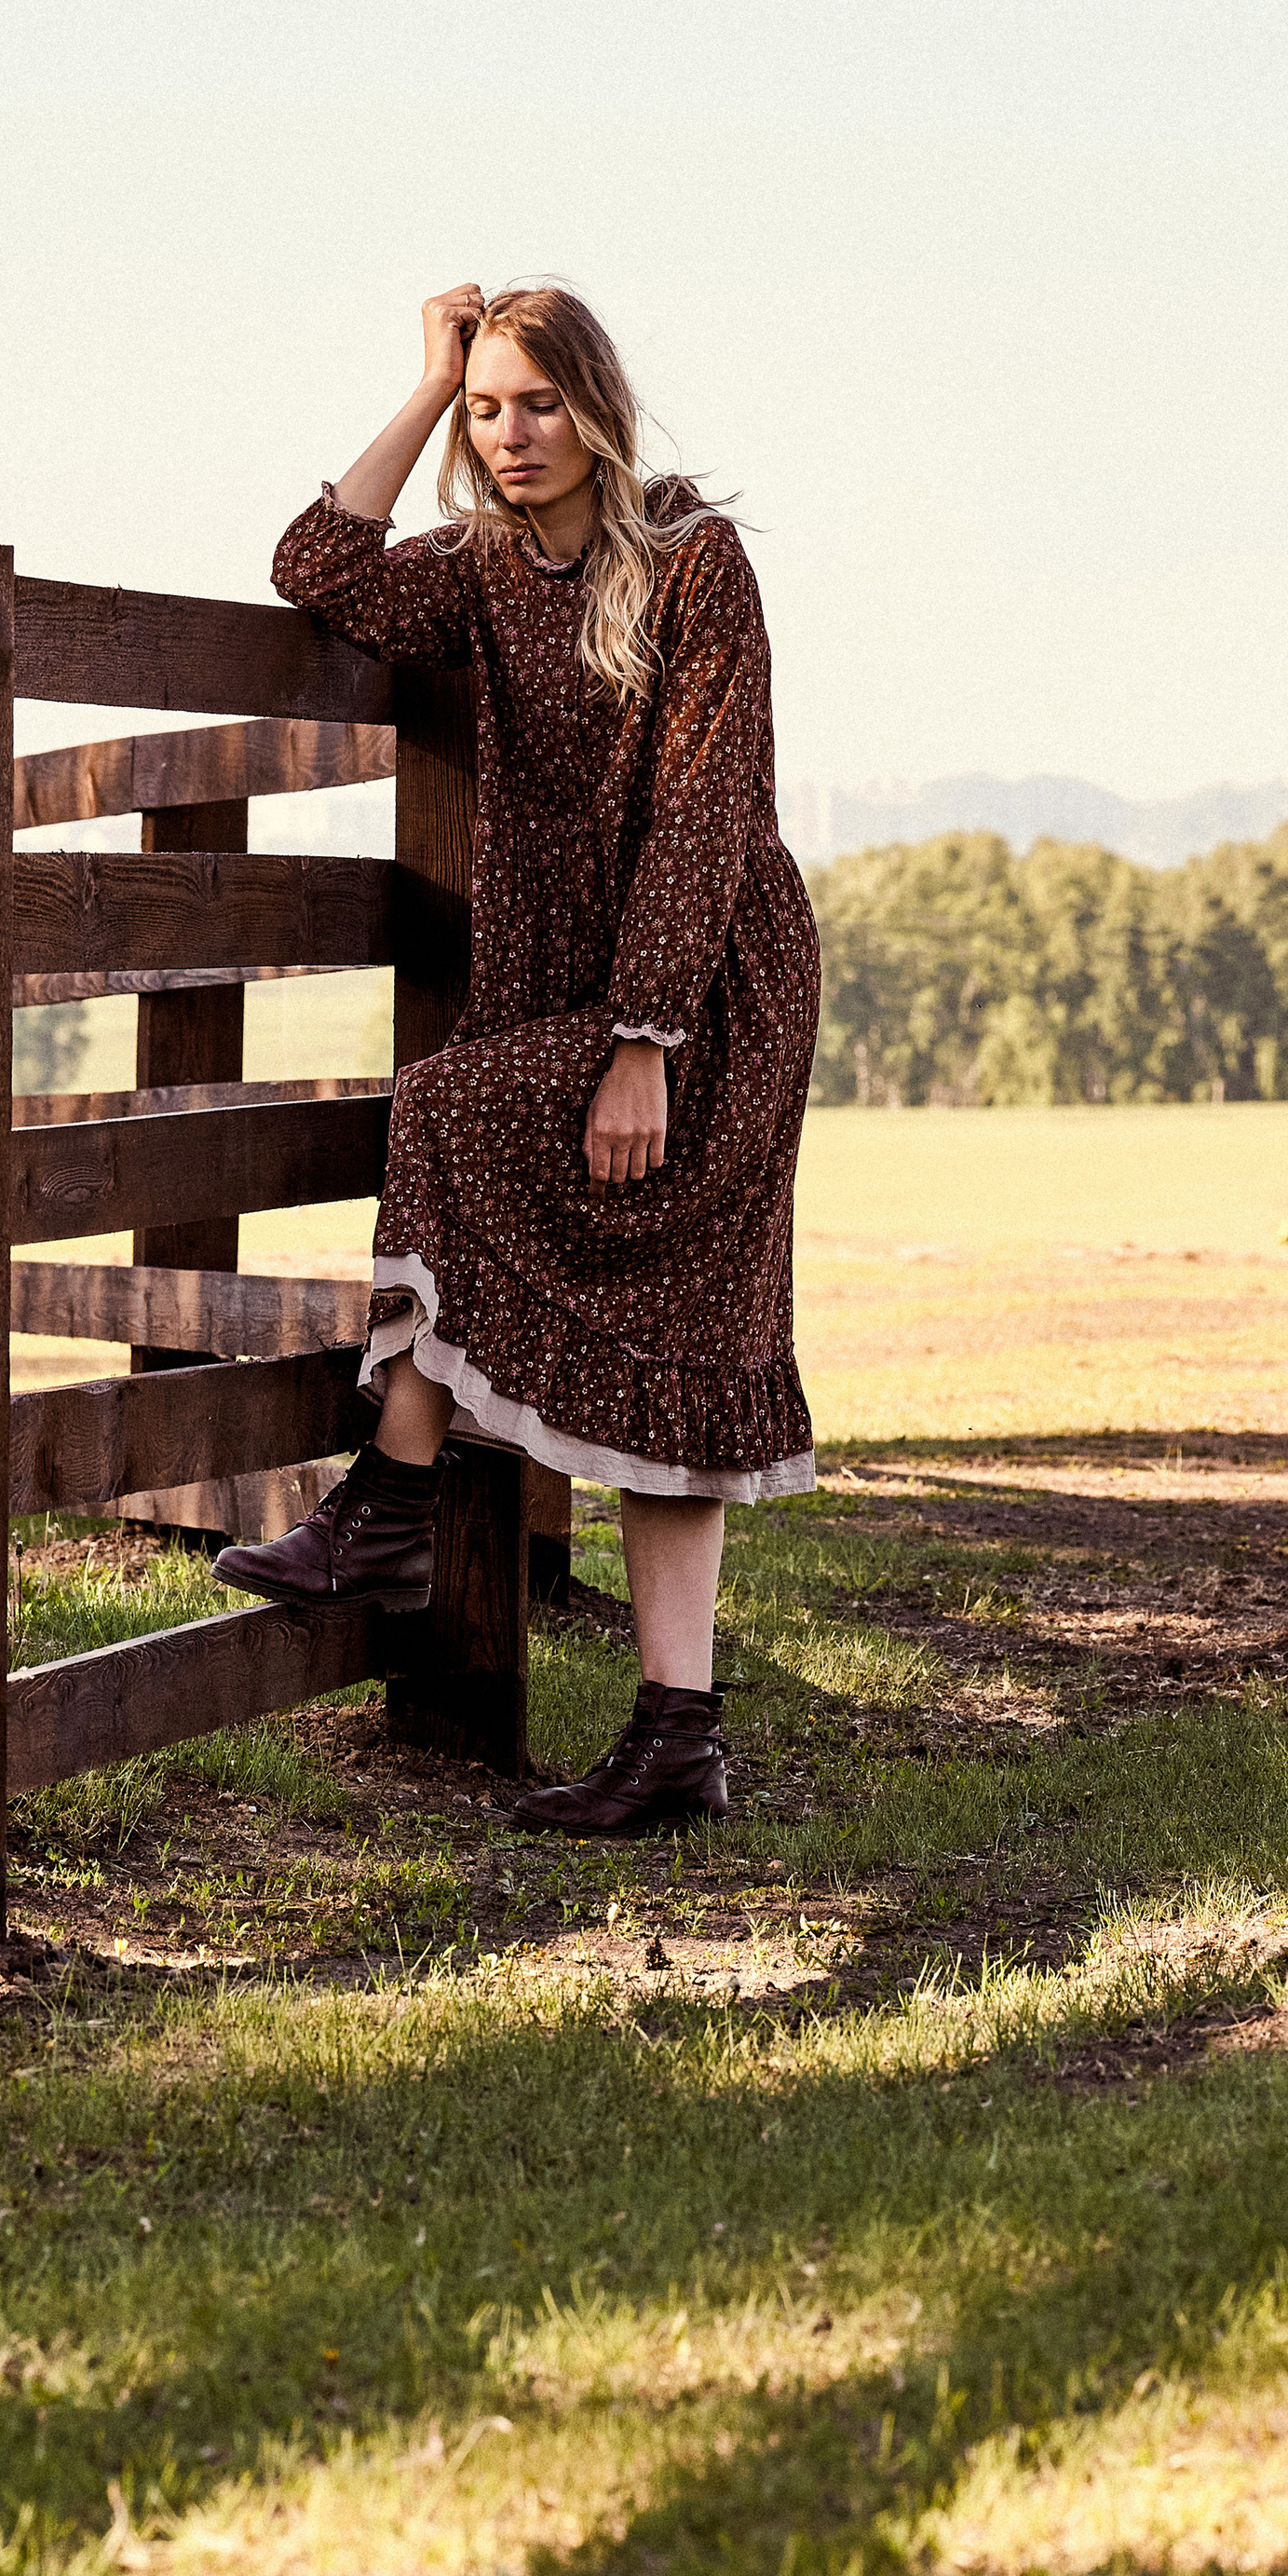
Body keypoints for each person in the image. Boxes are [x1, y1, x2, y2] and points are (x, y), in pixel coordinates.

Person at [214, 280, 819, 1836]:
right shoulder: (479, 569)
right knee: (629, 1311)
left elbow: (705, 810)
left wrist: (646, 1044)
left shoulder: (691, 558)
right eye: (487, 409)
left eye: (536, 402)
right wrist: (426, 381)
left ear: (596, 406)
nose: (512, 435)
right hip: (580, 989)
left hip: (711, 994)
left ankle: (394, 1508)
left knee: (661, 1311)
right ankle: (672, 1737)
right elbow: (312, 564)